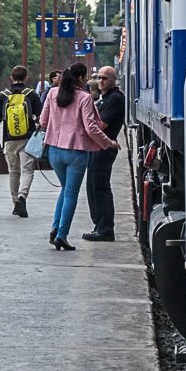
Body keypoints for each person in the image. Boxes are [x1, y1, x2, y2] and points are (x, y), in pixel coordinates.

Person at [39, 62, 116, 251]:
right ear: (81, 78)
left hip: (54, 151)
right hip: (76, 152)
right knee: (71, 193)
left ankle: (55, 228)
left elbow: (43, 121)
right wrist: (108, 143)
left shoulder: (52, 93)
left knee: (65, 190)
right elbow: (91, 128)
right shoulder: (84, 97)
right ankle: (61, 236)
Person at [82, 65, 125, 242]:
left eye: (105, 78)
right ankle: (99, 226)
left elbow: (100, 126)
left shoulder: (114, 98)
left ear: (113, 80)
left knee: (100, 188)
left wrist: (86, 126)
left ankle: (105, 229)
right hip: (97, 147)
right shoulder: (105, 98)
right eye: (99, 77)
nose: (100, 81)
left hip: (104, 148)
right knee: (93, 187)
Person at [0, 64, 41, 218]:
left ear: (11, 77)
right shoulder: (31, 95)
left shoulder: (3, 95)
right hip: (28, 138)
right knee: (27, 170)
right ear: (26, 77)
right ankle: (22, 197)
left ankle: (15, 204)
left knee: (14, 171)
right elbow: (41, 118)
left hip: (9, 139)